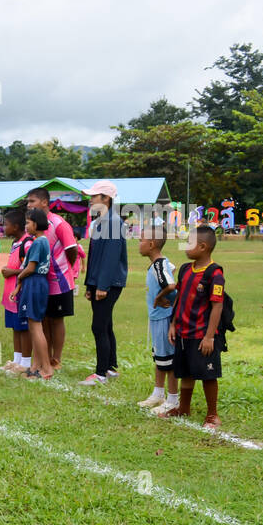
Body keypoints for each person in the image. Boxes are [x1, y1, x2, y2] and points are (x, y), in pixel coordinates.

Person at [165, 225, 226, 428]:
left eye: (189, 242)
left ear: (202, 247)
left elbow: (217, 306)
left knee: (208, 374)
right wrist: (173, 323)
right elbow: (179, 298)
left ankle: (212, 415)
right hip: (184, 332)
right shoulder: (185, 269)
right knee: (186, 372)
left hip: (203, 335)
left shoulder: (214, 274)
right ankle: (183, 408)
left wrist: (209, 337)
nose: (185, 246)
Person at [25, 188, 80, 370]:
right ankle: (44, 357)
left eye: (32, 201)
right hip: (41, 280)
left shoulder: (59, 224)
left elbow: (72, 249)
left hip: (60, 281)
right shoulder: (34, 225)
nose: (29, 205)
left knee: (57, 319)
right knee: (44, 319)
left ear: (44, 202)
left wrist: (65, 270)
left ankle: (56, 359)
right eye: (28, 202)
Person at [82, 179, 129, 384]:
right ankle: (110, 367)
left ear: (106, 199)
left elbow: (110, 258)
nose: (91, 200)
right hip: (99, 281)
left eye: (94, 196)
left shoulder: (113, 222)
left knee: (99, 326)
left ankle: (100, 373)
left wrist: (102, 286)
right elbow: (95, 256)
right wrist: (90, 285)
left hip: (108, 283)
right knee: (106, 324)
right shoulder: (101, 221)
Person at [137, 223, 180, 415]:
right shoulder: (161, 263)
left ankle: (173, 399)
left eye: (141, 240)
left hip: (164, 317)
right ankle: (158, 393)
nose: (139, 243)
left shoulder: (158, 265)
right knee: (160, 356)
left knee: (168, 360)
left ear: (152, 244)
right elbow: (172, 269)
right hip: (157, 318)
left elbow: (171, 286)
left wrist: (159, 297)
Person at [14, 208, 53, 379]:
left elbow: (31, 267)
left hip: (35, 283)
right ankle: (36, 366)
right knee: (33, 325)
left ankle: (46, 368)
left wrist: (19, 276)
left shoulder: (38, 242)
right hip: (36, 283)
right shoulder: (41, 241)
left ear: (36, 224)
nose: (26, 226)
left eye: (28, 222)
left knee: (36, 326)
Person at [0, 208, 33, 374]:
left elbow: (32, 268)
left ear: (17, 226)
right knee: (15, 326)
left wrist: (12, 272)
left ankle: (26, 362)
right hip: (10, 292)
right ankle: (16, 359)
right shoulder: (15, 243)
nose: (3, 228)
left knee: (23, 327)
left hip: (21, 292)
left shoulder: (28, 243)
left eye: (6, 225)